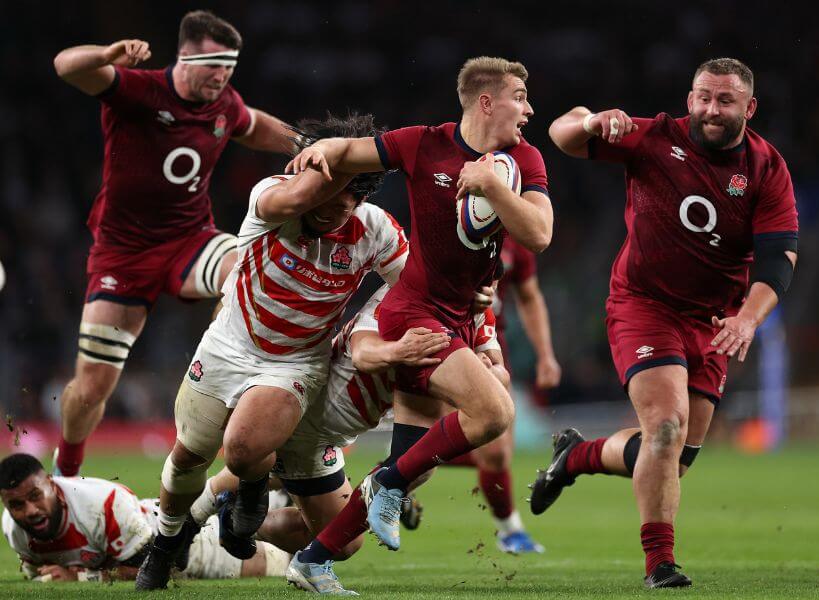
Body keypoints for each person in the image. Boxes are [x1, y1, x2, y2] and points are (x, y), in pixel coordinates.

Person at [284, 55, 552, 594]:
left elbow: (540, 233)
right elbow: (353, 153)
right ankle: (383, 483)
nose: (528, 109)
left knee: (416, 465)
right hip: (412, 314)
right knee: (495, 411)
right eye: (519, 97)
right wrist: (321, 150)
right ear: (485, 101)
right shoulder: (422, 143)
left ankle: (313, 558)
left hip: (459, 317)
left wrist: (493, 188)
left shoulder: (523, 160)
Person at [530, 58, 798, 588]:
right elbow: (560, 133)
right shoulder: (652, 137)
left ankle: (575, 456)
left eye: (724, 101)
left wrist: (748, 319)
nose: (710, 109)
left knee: (674, 459)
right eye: (702, 96)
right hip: (644, 306)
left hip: (715, 320)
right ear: (690, 96)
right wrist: (589, 122)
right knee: (666, 429)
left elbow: (778, 258)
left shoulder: (767, 168)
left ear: (750, 107)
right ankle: (660, 564)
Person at [135, 113, 410, 590]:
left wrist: (471, 320)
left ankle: (251, 490)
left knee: (242, 450)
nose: (334, 209)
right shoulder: (272, 195)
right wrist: (327, 159)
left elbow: (415, 287)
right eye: (328, 195)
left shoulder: (374, 229)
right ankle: (165, 542)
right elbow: (302, 195)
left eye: (349, 200)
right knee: (188, 457)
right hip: (229, 344)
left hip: (296, 363)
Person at [51, 10, 305, 478]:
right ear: (185, 57)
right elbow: (66, 66)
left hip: (190, 240)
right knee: (91, 387)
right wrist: (107, 56)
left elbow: (253, 124)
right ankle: (66, 471)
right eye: (213, 66)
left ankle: (223, 374)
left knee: (248, 267)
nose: (222, 78)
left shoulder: (223, 103)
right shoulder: (139, 90)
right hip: (123, 255)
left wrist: (304, 144)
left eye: (229, 68)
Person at [188, 285, 503, 593]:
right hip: (311, 425)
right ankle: (188, 521)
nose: (487, 287)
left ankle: (230, 516)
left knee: (330, 512)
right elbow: (364, 352)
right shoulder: (406, 295)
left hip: (333, 435)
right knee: (344, 531)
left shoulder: (478, 315)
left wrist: (486, 370)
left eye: (490, 278)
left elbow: (499, 378)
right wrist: (399, 351)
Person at [434, 236, 560, 553]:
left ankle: (397, 469)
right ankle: (511, 530)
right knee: (477, 445)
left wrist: (545, 354)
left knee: (496, 450)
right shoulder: (444, 222)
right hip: (445, 338)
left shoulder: (516, 238)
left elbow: (529, 296)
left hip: (491, 346)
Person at [0, 454, 288, 584]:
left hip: (182, 542)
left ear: (51, 484)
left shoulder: (102, 504)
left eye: (35, 496)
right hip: (143, 530)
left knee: (282, 559)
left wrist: (79, 577)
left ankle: (298, 474)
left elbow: (157, 568)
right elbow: (38, 570)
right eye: (16, 504)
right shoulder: (15, 529)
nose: (30, 511)